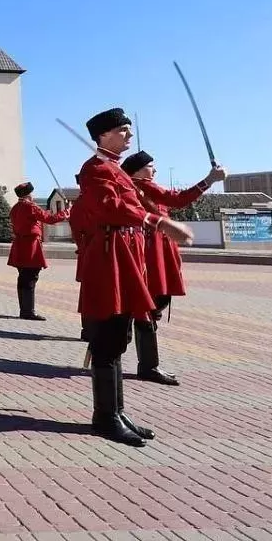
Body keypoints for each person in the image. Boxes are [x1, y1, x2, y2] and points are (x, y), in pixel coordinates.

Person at [70, 108, 194, 446]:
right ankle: (105, 417)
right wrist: (160, 222)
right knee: (107, 340)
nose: (129, 136)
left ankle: (117, 412)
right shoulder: (94, 170)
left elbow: (144, 201)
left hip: (124, 257)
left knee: (118, 337)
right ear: (104, 135)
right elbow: (112, 208)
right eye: (123, 130)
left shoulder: (113, 169)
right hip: (109, 259)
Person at [121, 150, 226, 385]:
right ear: (137, 170)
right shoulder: (141, 186)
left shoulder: (139, 185)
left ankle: (144, 358)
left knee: (152, 305)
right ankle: (148, 365)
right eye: (150, 166)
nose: (154, 170)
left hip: (159, 249)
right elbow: (178, 199)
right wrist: (209, 180)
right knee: (150, 305)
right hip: (150, 252)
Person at [7, 182, 70, 321]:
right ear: (29, 194)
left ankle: (24, 309)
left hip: (19, 245)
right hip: (30, 245)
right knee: (31, 278)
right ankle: (28, 311)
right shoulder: (30, 207)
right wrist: (66, 212)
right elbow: (49, 219)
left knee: (23, 277)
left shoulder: (15, 208)